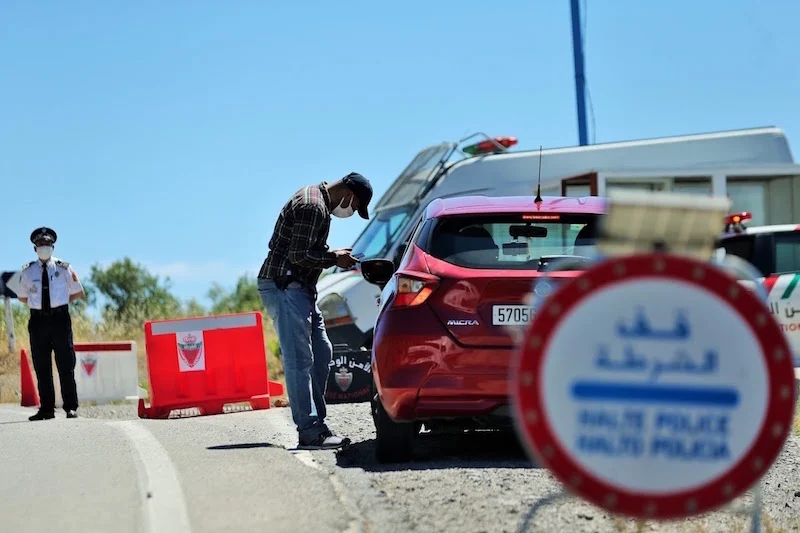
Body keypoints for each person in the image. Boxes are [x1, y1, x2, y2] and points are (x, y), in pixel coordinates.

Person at [257, 172, 372, 450]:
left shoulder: (317, 203)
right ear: (348, 194)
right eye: (355, 206)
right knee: (300, 359)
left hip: (300, 289)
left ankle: (316, 425)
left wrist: (331, 253)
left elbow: (304, 248)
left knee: (322, 353)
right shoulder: (312, 206)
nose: (351, 211)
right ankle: (310, 432)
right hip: (286, 286)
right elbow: (298, 255)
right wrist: (334, 258)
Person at [16, 227, 85, 421]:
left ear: (52, 247)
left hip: (60, 319)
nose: (43, 247)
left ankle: (71, 407)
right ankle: (46, 409)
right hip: (38, 320)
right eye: (40, 245)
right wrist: (40, 305)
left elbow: (78, 291)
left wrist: (60, 301)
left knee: (65, 364)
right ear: (34, 248)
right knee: (42, 366)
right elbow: (22, 297)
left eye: (46, 244)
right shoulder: (28, 271)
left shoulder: (64, 268)